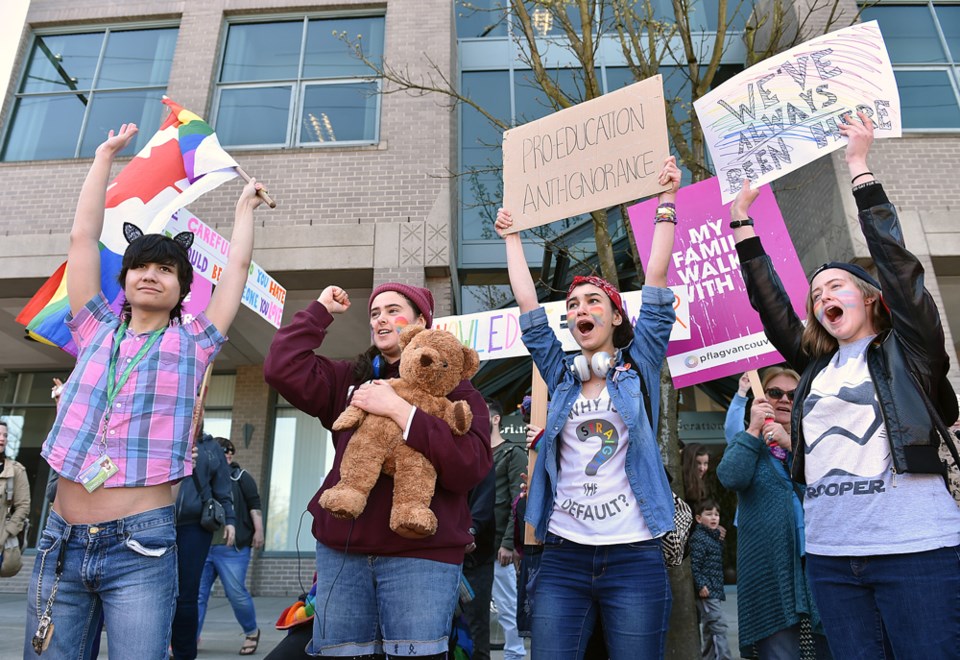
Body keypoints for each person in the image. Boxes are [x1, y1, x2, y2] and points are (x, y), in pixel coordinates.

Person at [24, 122, 262, 659]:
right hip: (60, 540)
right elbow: (82, 238)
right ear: (125, 279)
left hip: (141, 546)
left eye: (165, 269)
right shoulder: (92, 327)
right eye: (140, 267)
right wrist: (105, 156)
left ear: (182, 289)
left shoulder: (196, 341)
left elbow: (236, 270)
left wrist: (244, 209)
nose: (150, 275)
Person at [730, 111, 960, 657]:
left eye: (835, 285)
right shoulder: (814, 367)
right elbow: (771, 305)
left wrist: (859, 167)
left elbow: (901, 274)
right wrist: (743, 221)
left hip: (915, 550)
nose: (821, 295)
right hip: (833, 557)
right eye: (815, 293)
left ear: (871, 297)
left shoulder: (910, 351)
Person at [494, 155, 681, 660]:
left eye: (593, 303)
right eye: (574, 305)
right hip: (563, 558)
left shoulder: (638, 366)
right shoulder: (560, 376)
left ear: (616, 316)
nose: (581, 310)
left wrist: (666, 201)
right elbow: (529, 307)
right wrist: (513, 237)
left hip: (634, 557)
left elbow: (659, 277)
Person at [263, 282, 492, 659]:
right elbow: (280, 367)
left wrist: (402, 412)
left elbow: (470, 467)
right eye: (374, 313)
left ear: (421, 323)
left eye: (393, 310)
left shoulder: (459, 393)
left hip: (422, 560)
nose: (381, 319)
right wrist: (319, 311)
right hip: (343, 555)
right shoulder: (348, 380)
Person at [716, 367, 826, 659]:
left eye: (793, 394)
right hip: (770, 573)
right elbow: (730, 477)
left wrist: (792, 444)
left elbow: (828, 483)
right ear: (762, 398)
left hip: (819, 567)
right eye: (775, 393)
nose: (785, 400)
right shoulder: (750, 444)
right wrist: (753, 430)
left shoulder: (818, 442)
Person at [196, 436, 265, 655]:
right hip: (203, 546)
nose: (227, 454)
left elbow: (254, 505)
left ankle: (251, 632)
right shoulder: (201, 476)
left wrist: (259, 531)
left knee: (236, 592)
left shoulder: (240, 477)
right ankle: (190, 637)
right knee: (197, 595)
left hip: (231, 548)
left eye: (230, 451)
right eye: (222, 450)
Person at [173, 429, 236, 659]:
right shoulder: (165, 435)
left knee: (186, 596)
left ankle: (184, 654)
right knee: (157, 595)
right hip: (156, 521)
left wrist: (230, 521)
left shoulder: (211, 448)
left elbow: (223, 488)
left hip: (194, 527)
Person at [488, 398, 527, 660]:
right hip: (472, 542)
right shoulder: (474, 453)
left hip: (498, 542)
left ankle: (515, 654)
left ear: (496, 418)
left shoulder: (512, 453)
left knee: (507, 603)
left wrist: (509, 543)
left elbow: (518, 500)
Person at [462, 458, 496, 660]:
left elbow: (484, 507)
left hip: (476, 557)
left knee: (477, 628)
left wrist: (470, 531)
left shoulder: (483, 460)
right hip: (439, 553)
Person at [689, 498, 731, 660]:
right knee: (718, 625)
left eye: (716, 514)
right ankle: (724, 657)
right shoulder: (699, 538)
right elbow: (694, 565)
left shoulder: (714, 538)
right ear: (699, 519)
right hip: (707, 591)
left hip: (714, 589)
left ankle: (708, 657)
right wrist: (701, 585)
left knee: (709, 628)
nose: (714, 518)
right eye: (709, 514)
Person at [0, 420, 30, 575]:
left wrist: (7, 533)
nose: (2, 438)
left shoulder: (15, 471)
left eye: (5, 435)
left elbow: (23, 506)